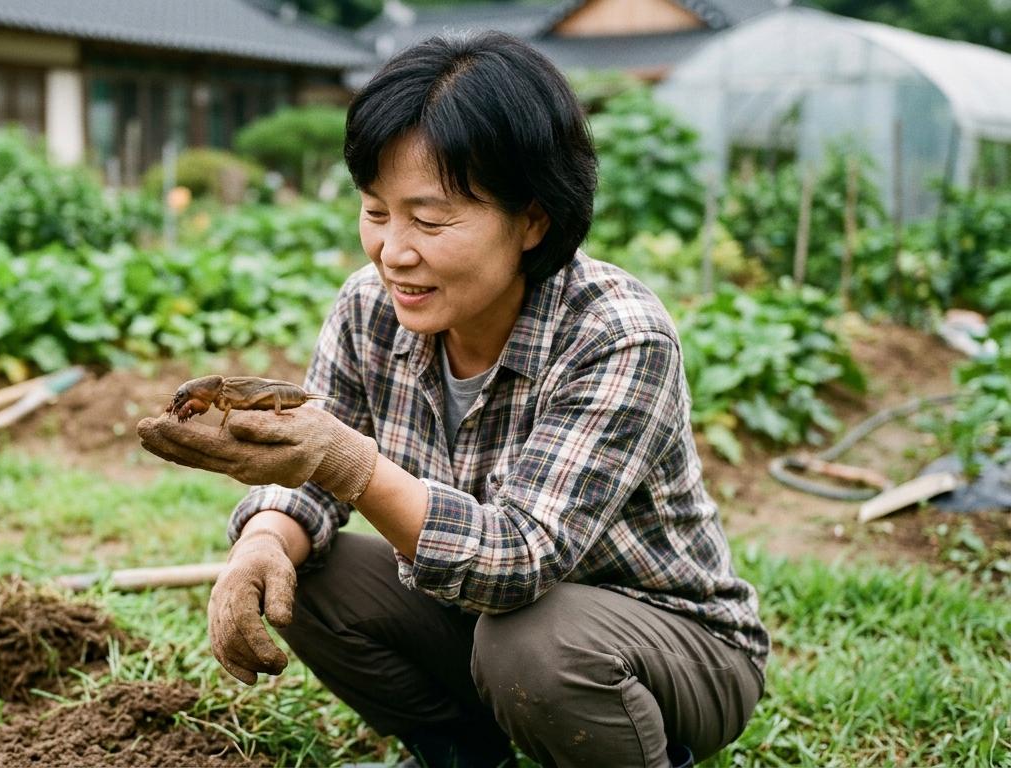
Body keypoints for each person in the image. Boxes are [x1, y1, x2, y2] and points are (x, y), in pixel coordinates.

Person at [138, 31, 767, 768]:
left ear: (532, 219)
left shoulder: (617, 336)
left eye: (430, 221)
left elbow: (520, 558)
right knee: (304, 570)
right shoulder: (369, 309)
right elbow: (307, 481)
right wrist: (262, 541)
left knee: (532, 641)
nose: (394, 251)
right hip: (483, 620)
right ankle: (466, 755)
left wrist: (349, 463)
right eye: (377, 212)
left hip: (674, 644)